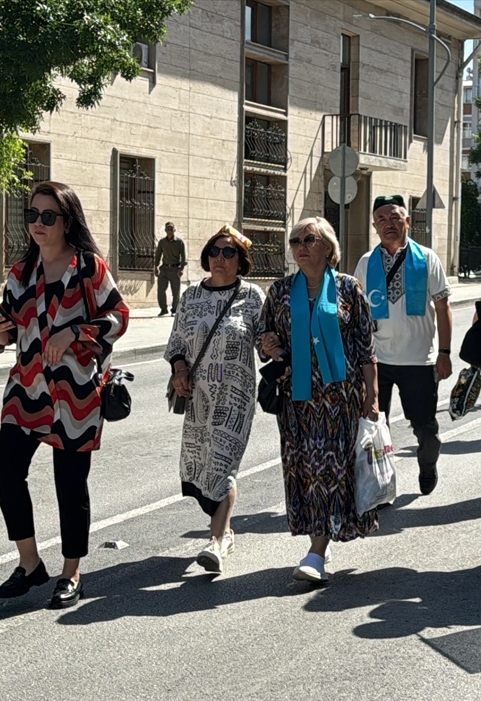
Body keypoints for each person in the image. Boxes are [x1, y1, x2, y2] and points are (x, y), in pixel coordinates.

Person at [0, 181, 129, 609]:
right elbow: (8, 329)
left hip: (75, 394)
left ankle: (72, 571)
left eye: (48, 216)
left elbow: (119, 318)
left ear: (67, 222)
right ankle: (30, 565)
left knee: (70, 483)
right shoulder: (19, 272)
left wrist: (75, 332)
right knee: (6, 472)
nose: (38, 224)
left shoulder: (89, 268)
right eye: (32, 215)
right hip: (26, 389)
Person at [261, 217, 379, 584]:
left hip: (338, 399)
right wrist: (271, 345)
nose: (300, 246)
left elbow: (365, 347)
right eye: (295, 240)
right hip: (297, 400)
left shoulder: (348, 288)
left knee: (329, 471)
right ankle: (320, 541)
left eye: (309, 239)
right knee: (305, 472)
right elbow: (265, 335)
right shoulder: (279, 291)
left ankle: (316, 550)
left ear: (328, 247)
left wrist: (372, 397)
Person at [165, 225, 266, 575]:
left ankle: (216, 542)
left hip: (235, 397)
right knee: (203, 467)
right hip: (198, 396)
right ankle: (226, 529)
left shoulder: (252, 296)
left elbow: (266, 341)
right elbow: (177, 341)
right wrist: (179, 369)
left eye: (228, 252)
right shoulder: (192, 295)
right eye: (215, 251)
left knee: (223, 465)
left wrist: (276, 348)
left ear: (241, 260)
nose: (219, 258)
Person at [355, 196, 452, 495]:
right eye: (382, 219)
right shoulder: (366, 262)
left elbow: (443, 306)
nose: (389, 224)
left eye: (395, 217)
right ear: (374, 226)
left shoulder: (427, 258)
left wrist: (445, 353)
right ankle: (379, 486)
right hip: (377, 361)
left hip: (418, 360)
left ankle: (428, 462)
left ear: (407, 221)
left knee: (425, 427)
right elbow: (357, 311)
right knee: (373, 426)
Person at [154, 222, 187, 316]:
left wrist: (181, 269)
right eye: (168, 229)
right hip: (164, 268)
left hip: (175, 269)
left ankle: (174, 310)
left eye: (171, 229)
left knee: (175, 291)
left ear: (174, 230)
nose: (170, 231)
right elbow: (158, 255)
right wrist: (155, 267)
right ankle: (163, 309)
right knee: (161, 289)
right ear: (165, 230)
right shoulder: (162, 242)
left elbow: (183, 257)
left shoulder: (179, 242)